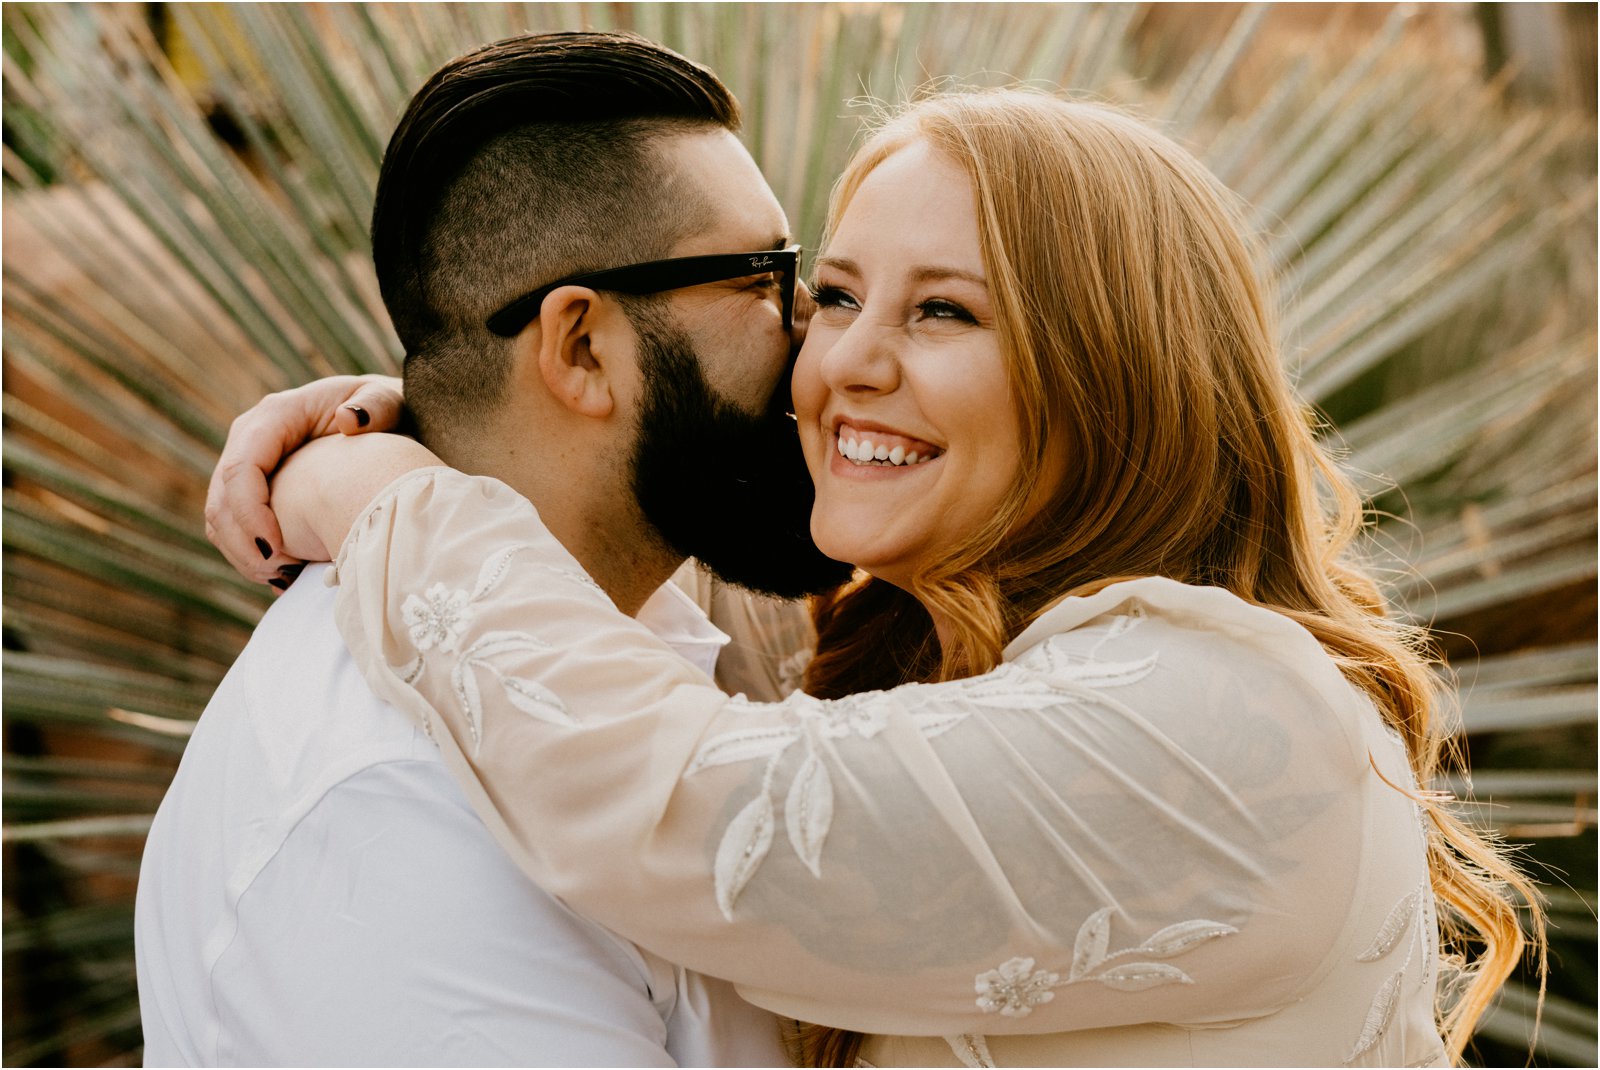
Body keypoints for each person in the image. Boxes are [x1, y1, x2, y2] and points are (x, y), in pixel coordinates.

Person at [231, 90, 1538, 1067]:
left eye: (944, 311)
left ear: (1114, 372)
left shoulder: (1219, 716)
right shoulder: (983, 669)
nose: (844, 361)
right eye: (835, 296)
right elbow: (639, 532)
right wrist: (467, 403)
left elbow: (680, 799)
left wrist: (385, 492)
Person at [136, 30, 853, 1066]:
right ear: (579, 346)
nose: (814, 340)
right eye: (761, 278)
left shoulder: (611, 642)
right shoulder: (403, 808)